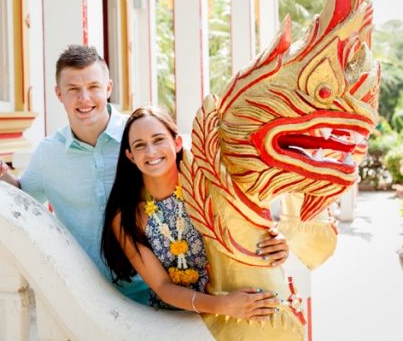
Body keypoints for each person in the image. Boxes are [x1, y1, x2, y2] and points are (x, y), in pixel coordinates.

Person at [0, 45, 149, 304]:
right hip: (87, 297)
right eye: (73, 89)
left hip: (154, 288)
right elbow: (23, 196)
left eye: (93, 87)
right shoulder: (48, 154)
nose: (84, 98)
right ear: (59, 94)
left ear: (108, 88)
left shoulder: (140, 136)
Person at [101, 106, 289, 319]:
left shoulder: (208, 186)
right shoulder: (126, 216)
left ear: (177, 142)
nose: (151, 152)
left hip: (236, 303)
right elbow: (162, 286)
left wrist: (277, 243)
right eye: (140, 145)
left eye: (158, 139)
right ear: (131, 156)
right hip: (176, 320)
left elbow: (246, 235)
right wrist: (222, 306)